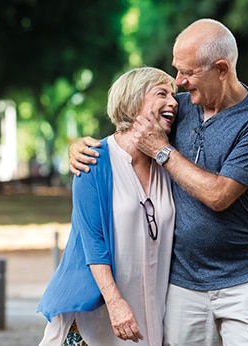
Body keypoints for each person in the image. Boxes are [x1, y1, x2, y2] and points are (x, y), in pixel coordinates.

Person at [69, 18, 248, 345]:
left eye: (188, 73)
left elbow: (219, 195)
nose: (179, 82)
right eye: (176, 71)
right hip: (183, 285)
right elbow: (130, 130)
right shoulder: (179, 108)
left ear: (222, 69)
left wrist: (163, 150)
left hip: (247, 281)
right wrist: (77, 147)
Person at [36, 67, 179, 345]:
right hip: (98, 312)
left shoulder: (170, 163)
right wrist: (116, 303)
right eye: (162, 93)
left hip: (150, 310)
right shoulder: (94, 160)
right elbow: (94, 243)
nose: (174, 102)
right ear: (134, 100)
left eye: (174, 95)